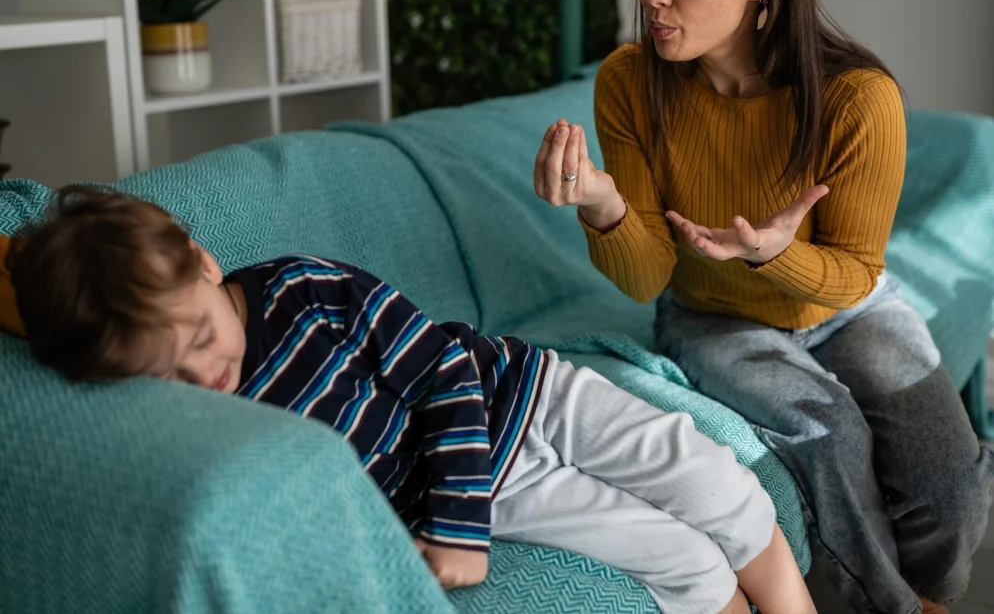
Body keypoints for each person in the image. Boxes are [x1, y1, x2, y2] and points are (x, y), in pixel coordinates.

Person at [534, 0, 993, 614]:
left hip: (848, 307)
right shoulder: (629, 82)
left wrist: (778, 255)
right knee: (830, 435)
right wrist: (604, 204)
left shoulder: (857, 98)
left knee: (949, 480)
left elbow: (854, 273)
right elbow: (647, 277)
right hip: (711, 315)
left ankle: (931, 597)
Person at [5, 185, 816, 614]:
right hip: (509, 490)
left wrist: (456, 528)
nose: (200, 373)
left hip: (525, 394)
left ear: (203, 261)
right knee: (681, 561)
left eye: (198, 335)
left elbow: (443, 374)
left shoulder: (306, 291)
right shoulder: (202, 419)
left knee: (717, 485)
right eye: (164, 375)